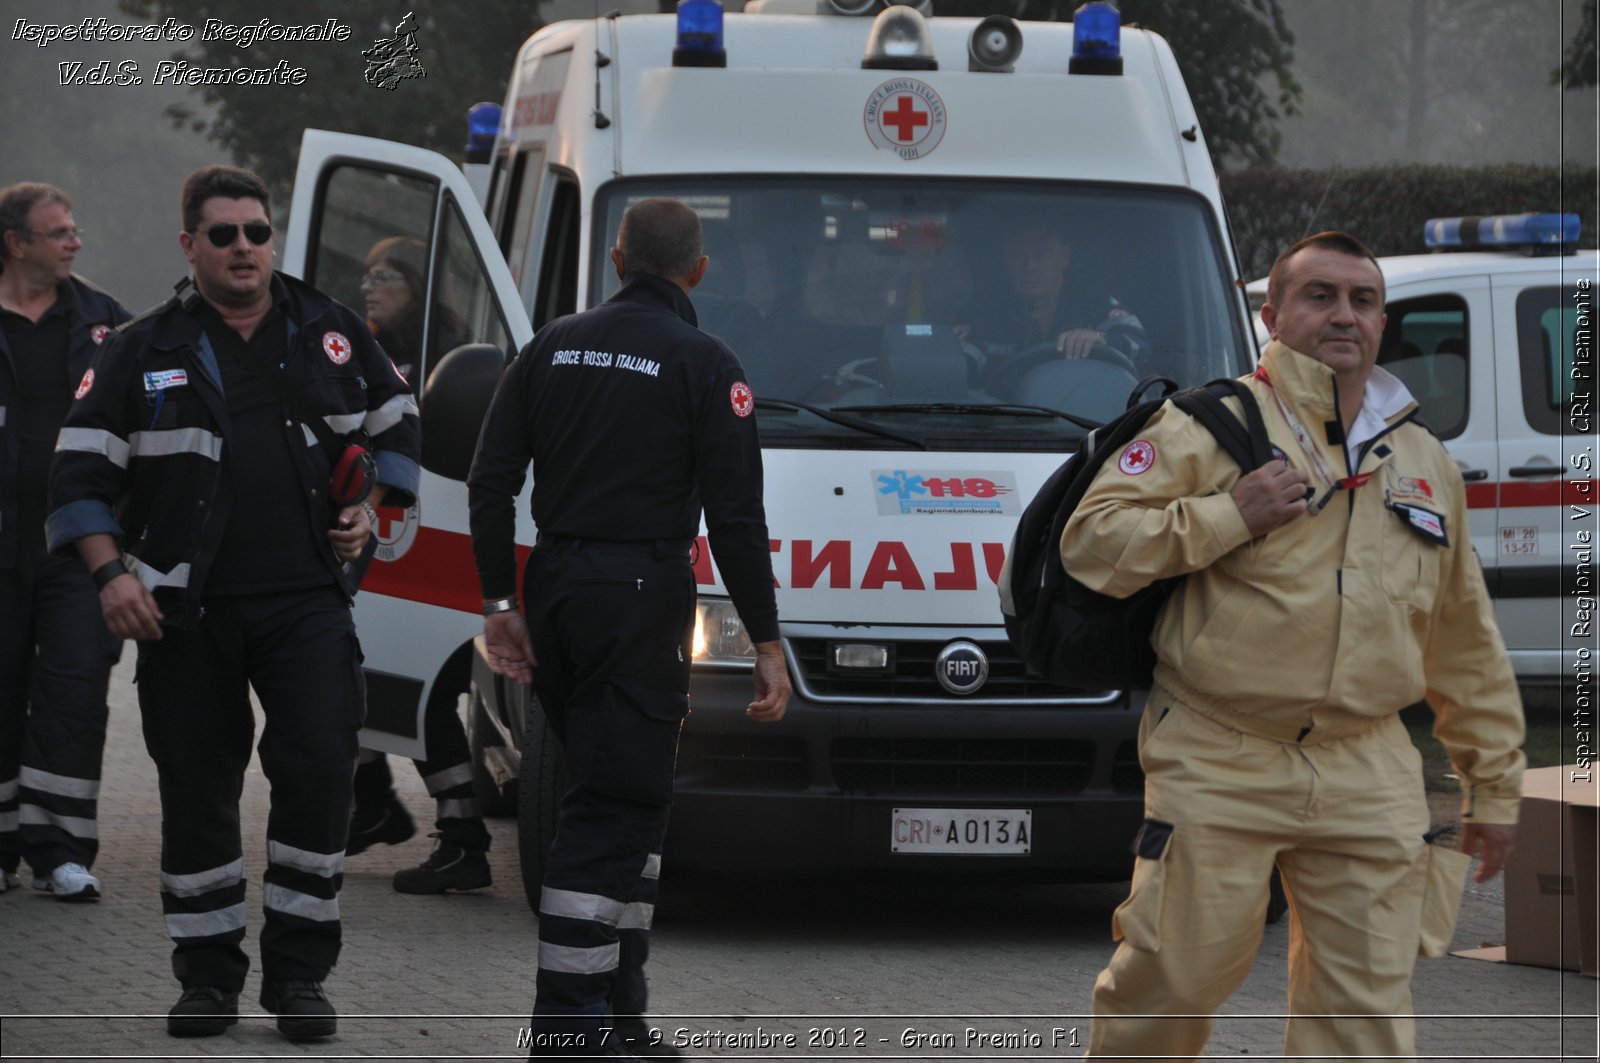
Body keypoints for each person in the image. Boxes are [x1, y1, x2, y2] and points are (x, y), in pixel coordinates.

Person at [1062, 231, 1524, 1061]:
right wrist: (1229, 513)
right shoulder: (1208, 424)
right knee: (1169, 986)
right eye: (1320, 296)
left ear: (1383, 322)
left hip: (1368, 762)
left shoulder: (1420, 458)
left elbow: (1464, 636)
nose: (1344, 314)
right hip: (1220, 747)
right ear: (1271, 316)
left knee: (1363, 1017)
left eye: (1364, 300)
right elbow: (1091, 542)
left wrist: (1492, 782)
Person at [46, 165, 421, 1041]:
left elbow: (398, 420)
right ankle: (207, 977)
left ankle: (299, 976)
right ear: (191, 245)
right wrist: (112, 576)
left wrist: (372, 508)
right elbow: (77, 474)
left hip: (308, 608)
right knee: (197, 790)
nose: (244, 247)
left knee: (322, 775)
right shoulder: (140, 348)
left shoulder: (329, 330)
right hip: (185, 614)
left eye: (256, 231)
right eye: (224, 234)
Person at [467, 197, 791, 1058]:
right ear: (697, 271)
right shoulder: (705, 361)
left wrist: (502, 604)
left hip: (560, 590)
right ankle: (569, 1029)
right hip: (640, 594)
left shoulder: (549, 346)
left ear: (616, 256)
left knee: (631, 796)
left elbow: (490, 479)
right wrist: (765, 639)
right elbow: (736, 519)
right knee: (613, 807)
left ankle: (618, 1010)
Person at [346, 236, 490, 895]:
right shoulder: (365, 348)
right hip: (383, 543)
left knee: (423, 696)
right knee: (361, 678)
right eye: (367, 272)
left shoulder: (444, 352)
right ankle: (374, 799)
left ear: (417, 287)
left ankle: (464, 840)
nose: (370, 285)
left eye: (387, 275)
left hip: (437, 545)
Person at [0, 182, 129, 901]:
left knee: (74, 692)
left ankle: (62, 850)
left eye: (75, 230)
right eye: (58, 233)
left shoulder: (107, 323)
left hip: (80, 550)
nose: (74, 242)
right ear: (18, 244)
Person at [958, 221, 1149, 394]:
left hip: (1090, 421)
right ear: (1005, 261)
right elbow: (959, 368)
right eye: (1017, 255)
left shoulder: (1096, 304)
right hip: (1003, 425)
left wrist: (1100, 338)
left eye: (1041, 253)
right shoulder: (986, 317)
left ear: (1064, 257)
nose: (1030, 266)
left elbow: (1139, 345)